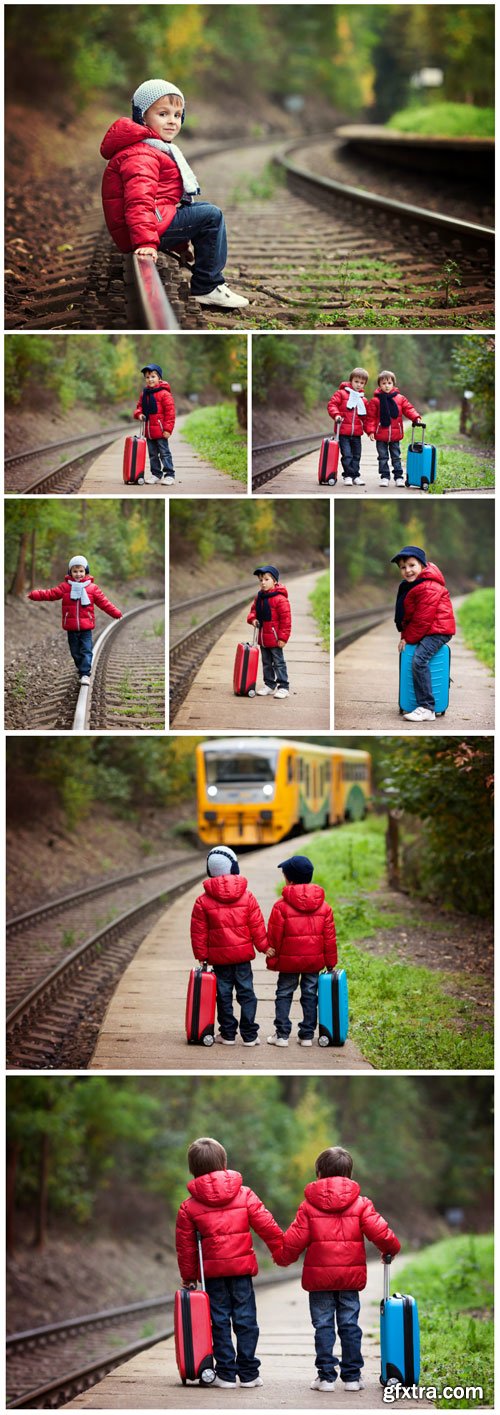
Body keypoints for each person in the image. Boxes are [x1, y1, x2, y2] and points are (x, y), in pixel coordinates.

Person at [101, 79, 249, 311]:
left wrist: (180, 244)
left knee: (202, 212)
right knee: (211, 216)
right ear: (142, 116)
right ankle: (207, 286)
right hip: (141, 229)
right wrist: (146, 243)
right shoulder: (143, 154)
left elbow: (161, 201)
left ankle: (206, 280)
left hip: (147, 223)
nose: (172, 120)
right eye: (163, 114)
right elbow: (139, 202)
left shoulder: (149, 147)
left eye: (178, 115)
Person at [277, 1145, 400, 1393]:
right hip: (349, 1278)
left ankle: (326, 1378)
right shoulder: (361, 1204)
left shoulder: (308, 1207)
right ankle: (353, 1377)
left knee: (323, 1326)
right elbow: (381, 1232)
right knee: (349, 1325)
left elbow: (293, 1241)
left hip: (319, 1279)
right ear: (349, 1174)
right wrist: (390, 1249)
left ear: (319, 1173)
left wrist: (283, 1257)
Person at [176, 1136, 283, 1388]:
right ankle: (248, 1373)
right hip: (241, 1272)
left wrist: (189, 1277)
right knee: (246, 1319)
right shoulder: (244, 1194)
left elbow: (186, 1247)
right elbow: (267, 1225)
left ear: (192, 1169)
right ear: (224, 1163)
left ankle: (225, 1373)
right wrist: (281, 1251)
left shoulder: (188, 1207)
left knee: (219, 1321)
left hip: (212, 1275)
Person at [190, 846, 267, 1047]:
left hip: (220, 959)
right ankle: (250, 1035)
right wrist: (264, 946)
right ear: (234, 867)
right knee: (247, 993)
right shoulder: (247, 896)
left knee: (223, 995)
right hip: (242, 958)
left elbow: (199, 932)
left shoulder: (202, 901)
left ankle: (228, 1034)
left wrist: (202, 955)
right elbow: (257, 925)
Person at [266, 856, 337, 1047]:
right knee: (309, 994)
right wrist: (330, 963)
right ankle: (306, 1035)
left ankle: (281, 1035)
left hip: (288, 962)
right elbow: (329, 938)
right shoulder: (325, 907)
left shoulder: (280, 906)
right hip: (313, 962)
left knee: (284, 993)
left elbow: (274, 936)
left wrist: (273, 956)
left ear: (289, 879)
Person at [27, 555, 122, 685]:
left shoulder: (92, 588)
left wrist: (116, 613)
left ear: (86, 571)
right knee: (75, 652)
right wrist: (35, 594)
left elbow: (104, 603)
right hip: (71, 627)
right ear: (70, 572)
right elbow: (50, 594)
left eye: (81, 571)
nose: (78, 574)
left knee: (86, 650)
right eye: (75, 571)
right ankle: (81, 668)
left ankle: (85, 673)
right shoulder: (65, 587)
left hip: (86, 627)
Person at [392, 544, 456, 722]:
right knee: (415, 658)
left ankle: (427, 707)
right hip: (429, 629)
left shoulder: (428, 587)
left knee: (419, 660)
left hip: (438, 630)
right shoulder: (413, 586)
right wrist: (404, 636)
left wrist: (408, 638)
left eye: (412, 565)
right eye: (403, 567)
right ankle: (420, 704)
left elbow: (421, 620)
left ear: (423, 565)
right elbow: (409, 618)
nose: (407, 570)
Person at [366, 370, 422, 486]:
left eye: (389, 383)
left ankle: (398, 477)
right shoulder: (376, 400)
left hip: (395, 435)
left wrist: (415, 417)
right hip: (381, 434)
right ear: (379, 385)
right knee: (383, 457)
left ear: (393, 384)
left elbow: (408, 409)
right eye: (383, 383)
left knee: (396, 457)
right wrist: (370, 431)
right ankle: (385, 477)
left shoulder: (400, 398)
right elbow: (370, 417)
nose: (386, 386)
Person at [247, 565, 291, 700]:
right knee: (266, 662)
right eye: (261, 580)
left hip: (275, 638)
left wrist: (283, 638)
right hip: (263, 638)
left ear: (275, 581)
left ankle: (283, 687)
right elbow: (253, 611)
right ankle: (269, 684)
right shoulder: (259, 597)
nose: (263, 583)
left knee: (278, 662)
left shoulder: (280, 599)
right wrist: (253, 619)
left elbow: (286, 620)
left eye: (266, 579)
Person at [133, 363, 176, 484]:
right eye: (147, 377)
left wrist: (168, 429)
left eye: (153, 376)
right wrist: (139, 414)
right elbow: (139, 407)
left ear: (159, 378)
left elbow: (170, 413)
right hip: (149, 431)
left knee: (164, 453)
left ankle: (169, 475)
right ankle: (156, 474)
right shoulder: (145, 393)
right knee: (152, 454)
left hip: (161, 431)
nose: (150, 379)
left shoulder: (164, 394)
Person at [327, 368, 369, 486]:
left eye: (362, 383)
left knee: (356, 455)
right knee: (347, 455)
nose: (358, 385)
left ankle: (356, 476)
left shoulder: (363, 400)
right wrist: (336, 415)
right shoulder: (341, 393)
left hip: (356, 433)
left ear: (364, 384)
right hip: (343, 432)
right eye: (356, 381)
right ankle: (348, 476)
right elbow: (332, 405)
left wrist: (370, 431)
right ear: (351, 380)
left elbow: (366, 418)